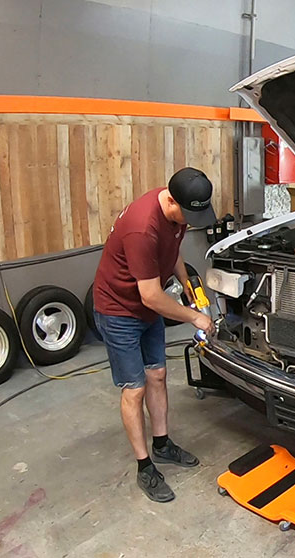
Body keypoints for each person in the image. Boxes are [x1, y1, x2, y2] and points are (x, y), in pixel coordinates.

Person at [93, 167, 217, 502]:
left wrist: (188, 283)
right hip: (119, 310)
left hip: (149, 308)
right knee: (135, 389)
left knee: (158, 375)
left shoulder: (177, 214)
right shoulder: (141, 228)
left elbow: (172, 250)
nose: (191, 220)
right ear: (172, 201)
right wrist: (196, 317)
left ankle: (162, 445)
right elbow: (149, 295)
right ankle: (144, 466)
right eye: (188, 214)